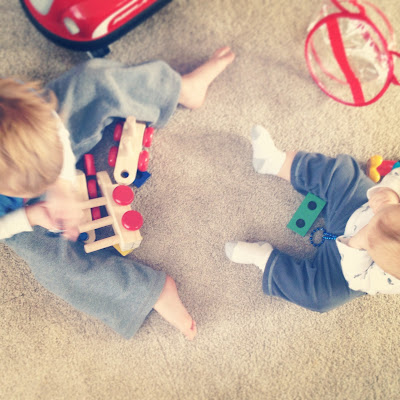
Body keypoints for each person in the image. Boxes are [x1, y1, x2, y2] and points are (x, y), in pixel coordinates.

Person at [0, 46, 235, 340]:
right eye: (33, 184)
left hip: (42, 144)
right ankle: (149, 291)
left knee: (92, 81)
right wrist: (30, 216)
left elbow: (56, 131)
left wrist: (60, 182)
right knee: (54, 267)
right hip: (15, 215)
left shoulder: (21, 109)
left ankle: (181, 89)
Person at [225, 125, 400, 312]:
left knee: (322, 298)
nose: (369, 226)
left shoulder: (391, 280)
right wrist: (388, 192)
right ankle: (276, 162)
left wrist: (356, 244)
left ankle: (264, 258)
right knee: (342, 174)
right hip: (359, 206)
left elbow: (358, 279)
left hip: (349, 265)